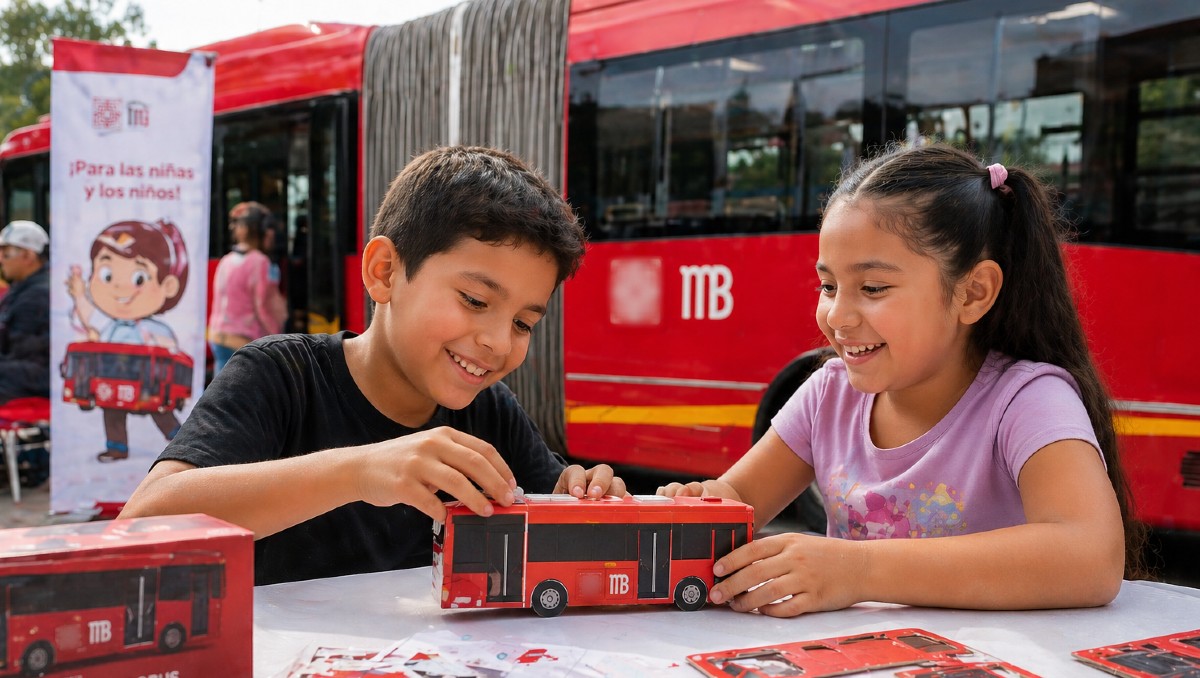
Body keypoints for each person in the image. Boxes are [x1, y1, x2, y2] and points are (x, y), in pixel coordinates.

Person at [659, 144, 1140, 617]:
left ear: (973, 292)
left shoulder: (1027, 399)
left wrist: (860, 571)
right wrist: (625, 503)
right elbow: (736, 503)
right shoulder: (828, 394)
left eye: (873, 288)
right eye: (828, 286)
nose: (838, 317)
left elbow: (1090, 556)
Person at [119, 146, 626, 585]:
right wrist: (361, 470)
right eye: (474, 300)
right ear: (384, 272)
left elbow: (563, 518)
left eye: (523, 324)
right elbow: (142, 524)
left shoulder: (490, 412)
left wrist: (599, 499)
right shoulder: (280, 377)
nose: (497, 341)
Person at [65, 219, 191, 461]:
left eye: (139, 278)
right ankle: (117, 448)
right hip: (115, 380)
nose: (120, 287)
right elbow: (90, 328)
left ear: (168, 285)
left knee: (160, 412)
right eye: (107, 275)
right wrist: (80, 295)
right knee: (112, 412)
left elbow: (170, 353)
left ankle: (183, 444)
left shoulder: (155, 328)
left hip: (147, 382)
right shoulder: (110, 326)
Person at [208, 201, 287, 375]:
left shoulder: (226, 260)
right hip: (241, 341)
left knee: (220, 392)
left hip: (218, 338)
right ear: (260, 231)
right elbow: (263, 308)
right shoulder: (260, 262)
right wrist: (278, 339)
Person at [0, 220, 51, 405]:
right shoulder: (22, 287)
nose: (1, 259)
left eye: (6, 254)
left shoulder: (37, 296)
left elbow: (24, 354)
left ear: (28, 255)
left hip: (36, 378)